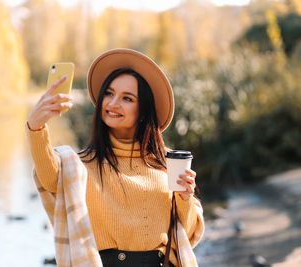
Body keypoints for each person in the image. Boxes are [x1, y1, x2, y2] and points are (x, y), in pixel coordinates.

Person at [26, 49, 204, 267]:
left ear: (144, 110)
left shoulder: (167, 163)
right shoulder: (80, 167)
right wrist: (36, 128)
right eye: (109, 94)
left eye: (127, 98)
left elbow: (185, 236)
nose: (113, 103)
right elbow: (49, 178)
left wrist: (184, 197)